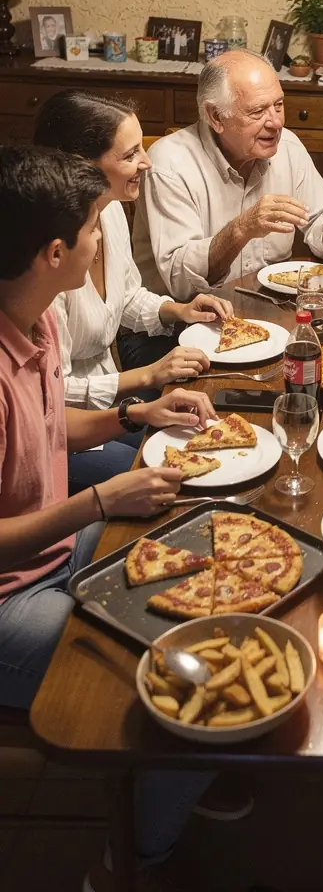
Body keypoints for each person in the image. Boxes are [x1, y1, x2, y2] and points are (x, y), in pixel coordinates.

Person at [0, 145, 217, 892]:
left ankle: (174, 782)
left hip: (56, 545)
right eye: (95, 228)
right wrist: (99, 501)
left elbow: (51, 425)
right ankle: (130, 867)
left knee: (203, 542)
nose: (104, 240)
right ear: (55, 251)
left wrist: (137, 414)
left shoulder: (39, 323)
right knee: (182, 686)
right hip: (6, 601)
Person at [32, 90, 233, 486]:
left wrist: (180, 310)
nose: (147, 162)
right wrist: (150, 375)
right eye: (130, 155)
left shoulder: (111, 214)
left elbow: (126, 297)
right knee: (167, 473)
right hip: (66, 427)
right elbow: (51, 398)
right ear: (81, 166)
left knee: (200, 438)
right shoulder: (49, 263)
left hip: (112, 402)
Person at [133, 50, 323, 300]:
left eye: (278, 105)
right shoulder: (169, 164)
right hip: (176, 325)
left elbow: (319, 229)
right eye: (257, 111)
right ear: (216, 116)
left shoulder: (287, 147)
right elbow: (181, 283)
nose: (276, 122)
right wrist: (241, 229)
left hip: (266, 310)